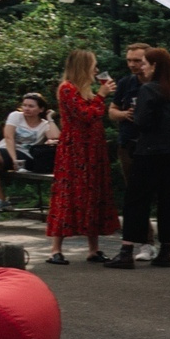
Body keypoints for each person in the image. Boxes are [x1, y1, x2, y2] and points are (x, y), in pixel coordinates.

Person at [106, 50, 170, 269]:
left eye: (145, 63)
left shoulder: (148, 89)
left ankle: (126, 251)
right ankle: (165, 251)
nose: (142, 67)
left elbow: (142, 121)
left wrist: (136, 113)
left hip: (149, 151)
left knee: (136, 200)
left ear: (155, 65)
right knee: (168, 201)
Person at [45, 50, 117, 264]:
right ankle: (55, 250)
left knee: (93, 193)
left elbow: (93, 111)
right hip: (76, 149)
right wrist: (102, 95)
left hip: (93, 148)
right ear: (83, 67)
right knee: (69, 192)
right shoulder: (67, 88)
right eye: (93, 66)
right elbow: (85, 114)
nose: (96, 70)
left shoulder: (85, 89)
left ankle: (93, 249)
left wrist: (99, 95)